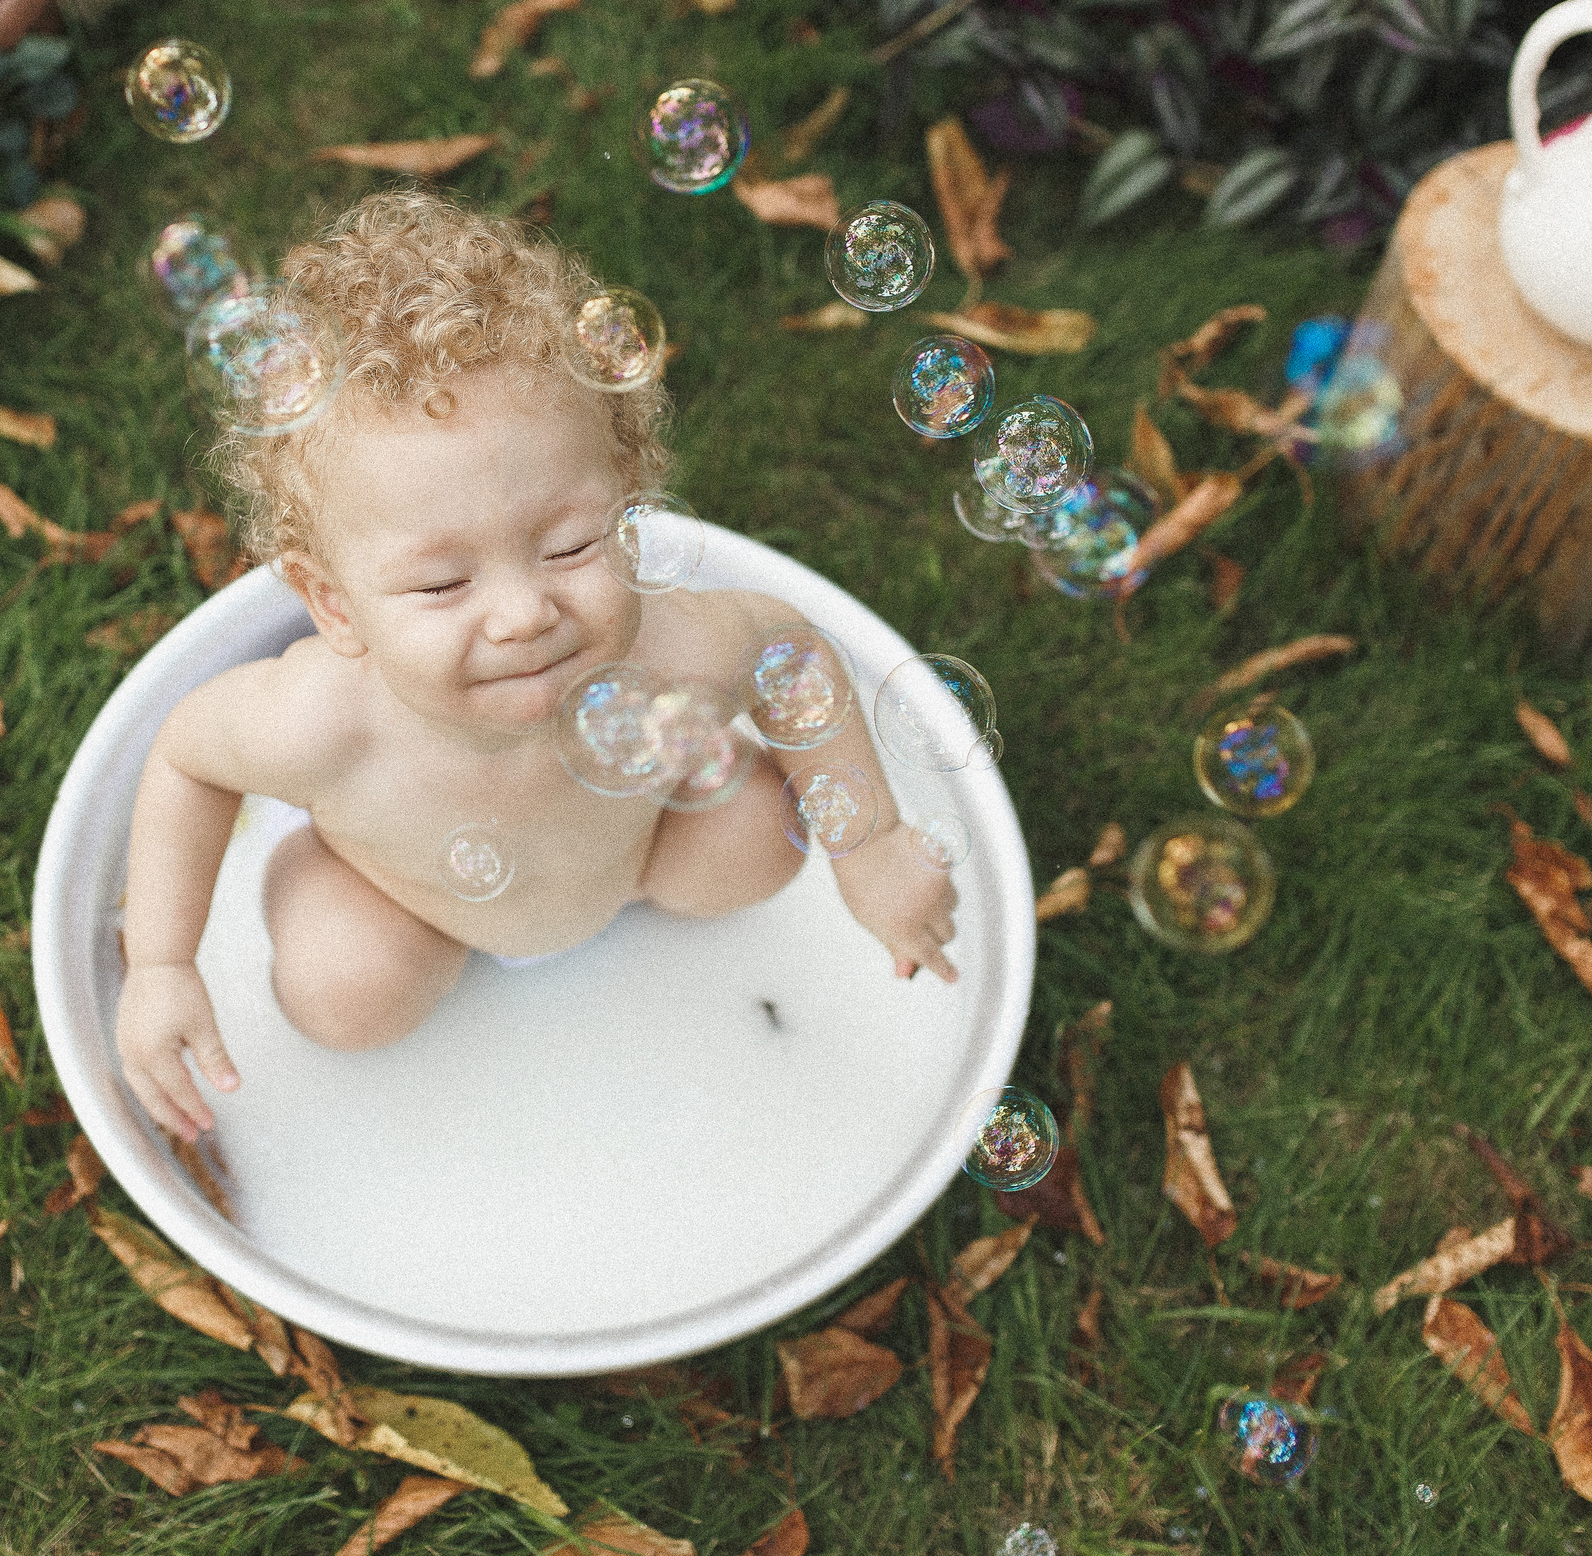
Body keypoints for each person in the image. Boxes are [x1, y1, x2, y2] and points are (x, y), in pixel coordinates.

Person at [116, 190, 960, 1143]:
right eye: (441, 584)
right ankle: (330, 902)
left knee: (767, 834)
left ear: (630, 514)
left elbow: (790, 652)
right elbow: (187, 759)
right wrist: (163, 963)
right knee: (342, 991)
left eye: (567, 547)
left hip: (632, 864)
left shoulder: (671, 651)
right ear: (333, 604)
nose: (525, 614)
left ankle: (657, 886)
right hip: (407, 908)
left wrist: (872, 840)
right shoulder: (322, 723)